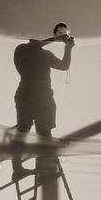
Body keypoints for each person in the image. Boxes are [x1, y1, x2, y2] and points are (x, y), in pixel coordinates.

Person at [11, 23, 75, 178]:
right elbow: (34, 47)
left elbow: (64, 65)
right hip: (27, 96)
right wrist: (56, 39)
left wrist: (68, 48)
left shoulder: (45, 54)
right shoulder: (22, 49)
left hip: (44, 98)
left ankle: (44, 171)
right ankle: (17, 169)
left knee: (44, 133)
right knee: (23, 130)